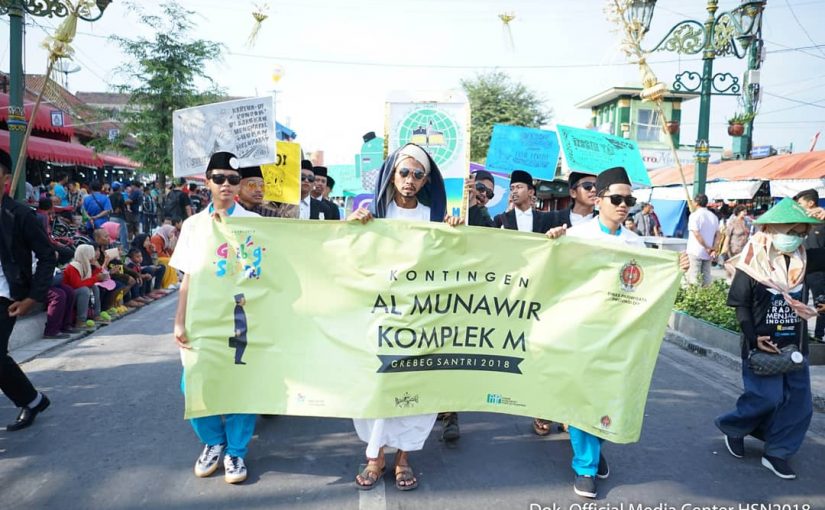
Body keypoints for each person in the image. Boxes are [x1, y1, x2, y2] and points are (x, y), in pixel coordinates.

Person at [348, 143, 461, 491]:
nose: (409, 180)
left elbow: (453, 264)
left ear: (426, 180)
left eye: (417, 174)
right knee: (377, 385)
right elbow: (348, 257)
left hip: (421, 321)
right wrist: (351, 228)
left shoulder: (434, 219)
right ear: (392, 174)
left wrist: (455, 236)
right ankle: (374, 456)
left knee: (416, 388)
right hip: (379, 318)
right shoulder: (373, 214)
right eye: (404, 172)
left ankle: (404, 458)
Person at [545, 166, 641, 498]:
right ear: (598, 199)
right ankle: (585, 466)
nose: (623, 205)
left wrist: (678, 267)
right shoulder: (576, 235)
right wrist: (552, 245)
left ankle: (595, 450)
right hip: (581, 332)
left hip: (618, 335)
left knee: (608, 398)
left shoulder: (635, 242)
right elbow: (552, 274)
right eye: (616, 198)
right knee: (582, 397)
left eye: (630, 200)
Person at [170, 151, 260, 485]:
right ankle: (213, 442)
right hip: (202, 319)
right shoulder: (193, 226)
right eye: (219, 178)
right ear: (207, 181)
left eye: (233, 179)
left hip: (244, 318)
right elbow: (187, 277)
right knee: (193, 382)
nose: (226, 185)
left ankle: (236, 451)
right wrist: (179, 320)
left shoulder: (256, 224)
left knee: (241, 385)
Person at [716, 197, 821, 480]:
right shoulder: (751, 263)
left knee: (800, 403)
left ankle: (778, 452)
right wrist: (753, 337)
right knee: (767, 397)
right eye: (792, 232)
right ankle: (735, 426)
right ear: (772, 228)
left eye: (802, 233)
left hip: (795, 344)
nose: (797, 238)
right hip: (762, 343)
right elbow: (740, 304)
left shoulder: (804, 258)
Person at [0, 153, 55, 431]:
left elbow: (47, 255)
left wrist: (33, 297)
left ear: (6, 180)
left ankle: (31, 400)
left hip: (7, 297)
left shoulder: (20, 215)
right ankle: (33, 400)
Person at [794, 190, 825, 341]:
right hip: (800, 269)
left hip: (818, 271)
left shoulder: (822, 220)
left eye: (800, 203)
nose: (798, 206)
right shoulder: (800, 221)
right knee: (799, 303)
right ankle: (801, 334)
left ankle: (819, 335)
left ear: (811, 203)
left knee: (821, 304)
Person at [62, 244, 111, 328]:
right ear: (85, 255)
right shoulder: (73, 266)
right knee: (84, 290)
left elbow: (90, 279)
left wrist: (99, 273)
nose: (93, 257)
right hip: (69, 293)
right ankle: (80, 321)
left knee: (95, 288)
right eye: (90, 254)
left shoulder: (84, 265)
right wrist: (96, 278)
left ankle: (96, 315)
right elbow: (77, 285)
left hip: (75, 291)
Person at [686, 193, 720, 287]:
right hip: (709, 252)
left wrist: (706, 247)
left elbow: (696, 234)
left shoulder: (694, 216)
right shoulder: (713, 217)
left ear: (696, 203)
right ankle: (706, 297)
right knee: (706, 277)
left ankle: (694, 298)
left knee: (694, 277)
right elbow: (718, 234)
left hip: (695, 250)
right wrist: (714, 248)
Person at [150, 224, 180, 289]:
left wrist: (172, 245)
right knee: (168, 261)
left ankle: (174, 281)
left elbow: (170, 252)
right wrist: (168, 257)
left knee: (171, 260)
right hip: (155, 258)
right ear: (167, 231)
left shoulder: (165, 239)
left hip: (161, 257)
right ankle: (168, 283)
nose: (173, 234)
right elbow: (158, 253)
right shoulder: (157, 238)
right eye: (172, 232)